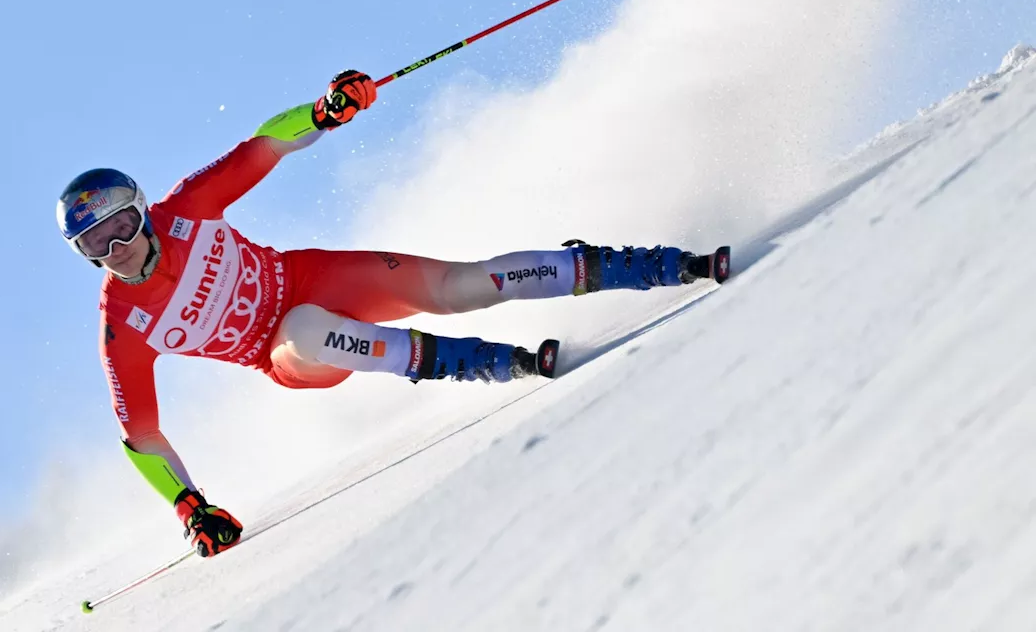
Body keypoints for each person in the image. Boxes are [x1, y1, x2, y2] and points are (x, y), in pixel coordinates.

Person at [56, 70, 730, 558]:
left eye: (118, 227)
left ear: (141, 211)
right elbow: (141, 435)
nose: (114, 250)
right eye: (93, 245)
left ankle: (658, 265)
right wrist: (191, 508)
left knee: (464, 285)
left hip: (313, 275)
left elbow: (263, 145)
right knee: (305, 331)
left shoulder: (188, 209)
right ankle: (481, 364)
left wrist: (324, 112)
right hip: (286, 353)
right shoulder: (124, 324)